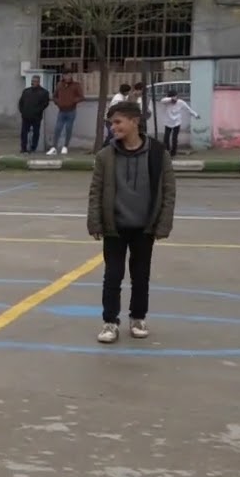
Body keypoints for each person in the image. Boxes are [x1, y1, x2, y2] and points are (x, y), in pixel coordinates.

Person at [87, 101, 176, 345]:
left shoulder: (158, 153)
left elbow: (169, 191)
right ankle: (109, 322)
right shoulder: (105, 155)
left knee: (141, 276)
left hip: (144, 227)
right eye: (111, 123)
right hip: (114, 227)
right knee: (112, 276)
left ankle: (138, 318)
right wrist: (95, 222)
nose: (113, 127)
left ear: (134, 121)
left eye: (118, 122)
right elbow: (95, 191)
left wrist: (163, 224)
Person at [47, 74, 85, 155]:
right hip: (61, 111)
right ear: (63, 76)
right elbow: (54, 96)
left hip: (71, 111)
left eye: (69, 75)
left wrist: (72, 101)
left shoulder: (76, 85)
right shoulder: (59, 85)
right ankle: (54, 147)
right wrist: (58, 102)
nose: (67, 77)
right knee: (57, 129)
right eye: (66, 75)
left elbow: (81, 97)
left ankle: (65, 146)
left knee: (68, 129)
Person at [17, 76, 50, 154]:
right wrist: (22, 111)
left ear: (38, 82)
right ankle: (23, 148)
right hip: (26, 116)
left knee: (36, 133)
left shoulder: (44, 92)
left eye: (35, 81)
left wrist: (37, 111)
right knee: (24, 133)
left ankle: (33, 148)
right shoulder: (26, 91)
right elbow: (21, 102)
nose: (33, 82)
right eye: (32, 81)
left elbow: (45, 104)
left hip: (36, 117)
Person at [159, 88, 197, 157]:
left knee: (174, 138)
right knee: (166, 137)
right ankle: (167, 151)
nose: (175, 101)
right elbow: (162, 100)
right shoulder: (167, 102)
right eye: (173, 99)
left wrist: (195, 115)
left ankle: (173, 152)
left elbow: (188, 109)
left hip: (177, 122)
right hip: (168, 122)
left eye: (176, 97)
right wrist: (171, 99)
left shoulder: (180, 102)